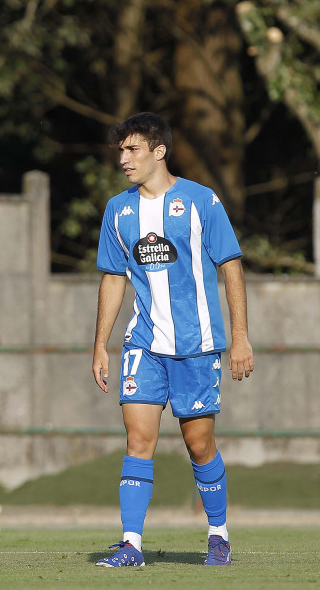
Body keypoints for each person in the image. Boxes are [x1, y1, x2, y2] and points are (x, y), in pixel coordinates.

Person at [91, 112, 255, 567]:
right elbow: (112, 278)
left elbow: (231, 267)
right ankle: (131, 544)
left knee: (199, 444)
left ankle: (218, 533)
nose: (124, 159)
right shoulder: (117, 210)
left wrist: (239, 337)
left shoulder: (202, 201)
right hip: (142, 345)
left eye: (133, 150)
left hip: (197, 345)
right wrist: (101, 343)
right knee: (137, 438)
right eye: (121, 150)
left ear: (159, 151)